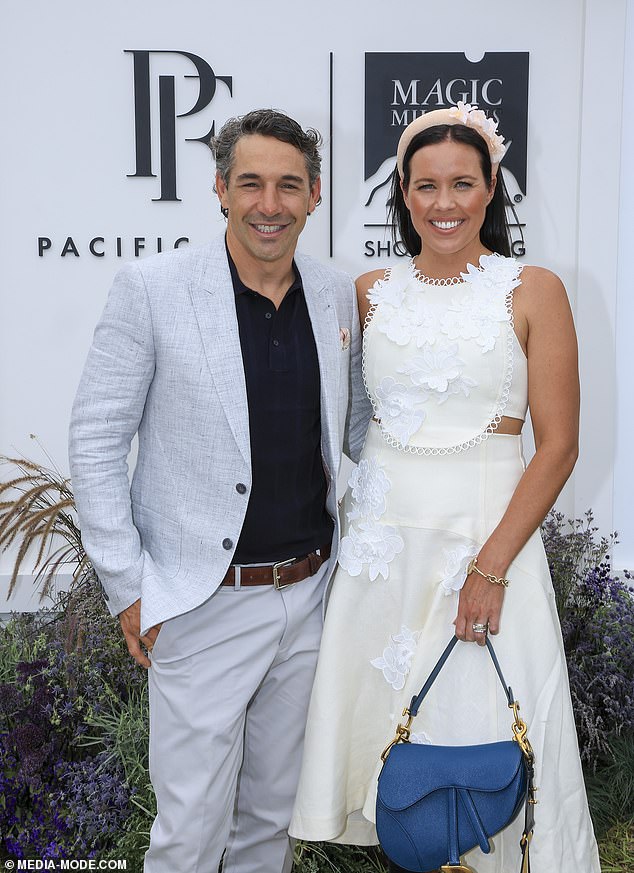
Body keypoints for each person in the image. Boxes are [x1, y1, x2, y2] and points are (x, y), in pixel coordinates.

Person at [289, 103, 600, 872]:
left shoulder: (534, 289)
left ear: (492, 188)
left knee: (490, 723)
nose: (445, 203)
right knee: (397, 738)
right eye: (425, 185)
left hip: (485, 543)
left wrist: (490, 566)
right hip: (383, 550)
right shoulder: (368, 290)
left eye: (463, 183)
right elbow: (346, 422)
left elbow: (557, 445)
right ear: (401, 190)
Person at [68, 108, 371, 873]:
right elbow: (96, 439)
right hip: (201, 603)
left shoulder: (337, 296)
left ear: (315, 194)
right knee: (190, 833)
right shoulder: (153, 288)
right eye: (251, 184)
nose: (270, 203)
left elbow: (358, 433)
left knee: (271, 822)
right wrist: (128, 588)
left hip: (309, 596)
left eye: (288, 186)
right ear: (220, 190)